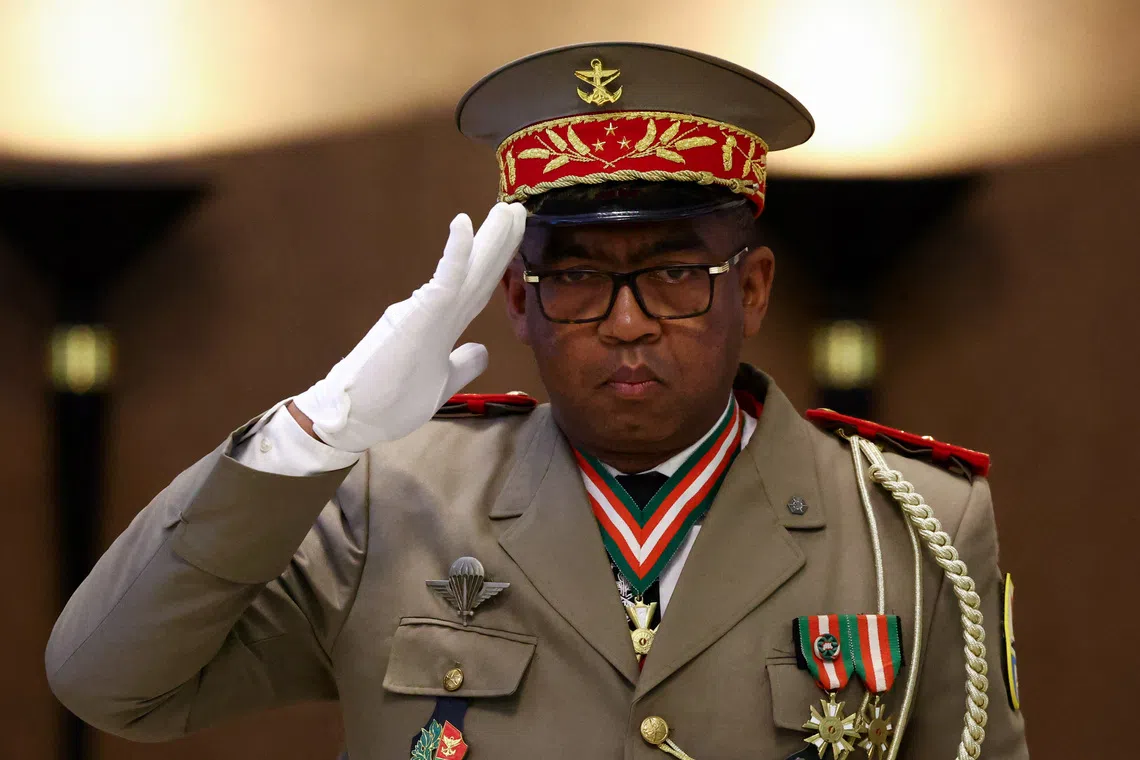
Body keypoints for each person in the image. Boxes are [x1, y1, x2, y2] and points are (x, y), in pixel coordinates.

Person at [46, 42, 1029, 760]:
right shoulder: (388, 503)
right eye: (578, 278)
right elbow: (109, 682)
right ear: (516, 299)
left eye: (678, 273)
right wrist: (317, 431)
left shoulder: (911, 520)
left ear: (754, 289)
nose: (630, 322)